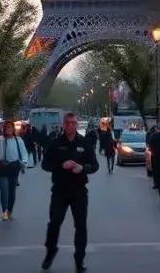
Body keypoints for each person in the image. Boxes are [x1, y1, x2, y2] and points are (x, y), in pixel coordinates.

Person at [41, 112, 99, 273]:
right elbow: (45, 164)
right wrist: (61, 165)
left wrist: (83, 168)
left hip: (79, 190)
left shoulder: (85, 143)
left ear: (77, 124)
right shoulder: (56, 143)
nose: (70, 126)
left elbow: (94, 165)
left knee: (80, 226)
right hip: (59, 190)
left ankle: (79, 259)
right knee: (54, 222)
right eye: (67, 123)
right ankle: (50, 251)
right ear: (63, 124)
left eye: (73, 123)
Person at [0, 120, 29, 221]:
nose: (7, 129)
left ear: (13, 129)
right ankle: (4, 211)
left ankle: (10, 211)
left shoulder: (18, 140)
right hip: (1, 167)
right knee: (4, 190)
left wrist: (24, 163)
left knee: (11, 191)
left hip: (13, 168)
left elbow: (24, 153)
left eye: (9, 127)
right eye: (5, 127)